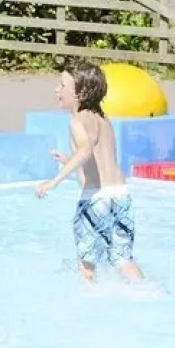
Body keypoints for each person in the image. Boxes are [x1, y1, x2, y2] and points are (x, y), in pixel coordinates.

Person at [35, 61, 146, 283]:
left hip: (96, 199)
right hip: (121, 196)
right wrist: (69, 160)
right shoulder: (104, 120)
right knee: (122, 259)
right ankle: (150, 292)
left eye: (62, 85)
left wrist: (53, 181)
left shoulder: (77, 120)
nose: (57, 89)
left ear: (81, 92)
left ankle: (91, 303)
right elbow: (99, 159)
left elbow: (85, 150)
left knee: (86, 264)